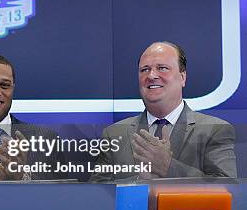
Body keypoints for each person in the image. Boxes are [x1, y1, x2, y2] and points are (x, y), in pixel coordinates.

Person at [91, 41, 237, 181]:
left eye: (162, 68)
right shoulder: (114, 134)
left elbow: (226, 187)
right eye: (145, 70)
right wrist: (139, 181)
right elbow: (97, 194)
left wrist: (169, 167)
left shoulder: (215, 130)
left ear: (182, 77)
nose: (151, 75)